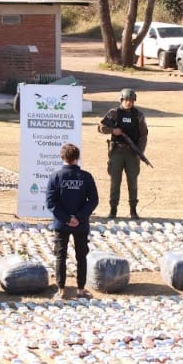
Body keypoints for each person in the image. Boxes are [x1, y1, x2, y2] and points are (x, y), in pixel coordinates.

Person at [45, 143, 99, 300]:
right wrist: (79, 217)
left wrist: (67, 218)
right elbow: (93, 201)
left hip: (62, 224)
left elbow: (51, 203)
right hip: (80, 224)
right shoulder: (86, 177)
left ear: (62, 158)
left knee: (60, 256)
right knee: (81, 256)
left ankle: (61, 290)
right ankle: (81, 290)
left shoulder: (55, 176)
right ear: (77, 158)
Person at [98, 87, 148, 219]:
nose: (129, 103)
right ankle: (113, 210)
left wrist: (140, 152)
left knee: (133, 182)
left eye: (131, 100)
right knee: (115, 182)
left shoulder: (138, 115)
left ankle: (133, 210)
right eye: (126, 100)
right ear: (121, 100)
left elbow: (143, 135)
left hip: (132, 153)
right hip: (117, 152)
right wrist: (112, 131)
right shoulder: (114, 113)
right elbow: (101, 127)